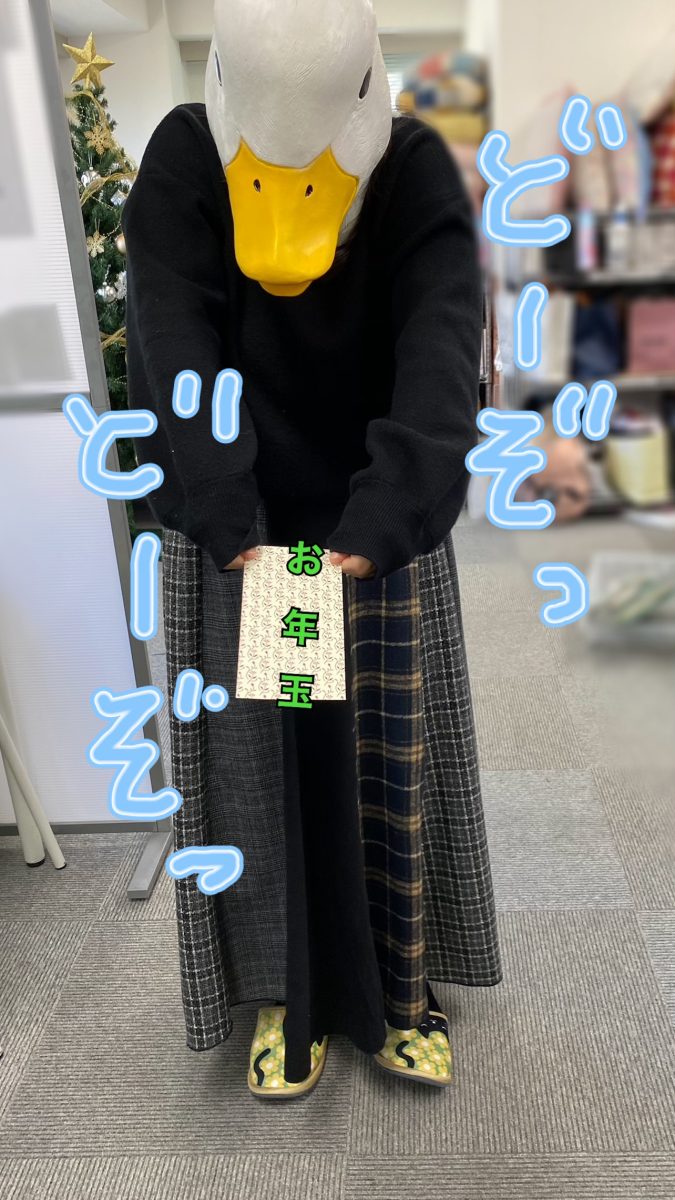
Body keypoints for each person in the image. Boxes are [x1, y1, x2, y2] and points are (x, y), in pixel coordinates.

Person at [122, 0, 501, 1100]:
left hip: (372, 524)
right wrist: (227, 517)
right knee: (261, 774)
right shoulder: (186, 157)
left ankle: (403, 987)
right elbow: (170, 333)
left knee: (388, 761)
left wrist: (387, 519)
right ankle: (283, 989)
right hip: (247, 534)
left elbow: (442, 342)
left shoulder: (414, 166)